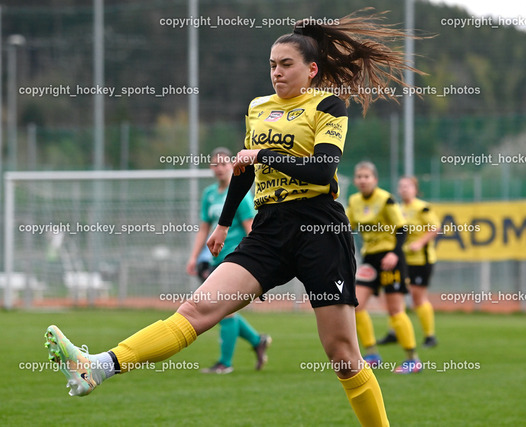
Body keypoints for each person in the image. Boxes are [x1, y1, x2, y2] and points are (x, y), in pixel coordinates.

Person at [44, 11, 423, 426]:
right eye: (272, 65)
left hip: (319, 228)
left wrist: (263, 155)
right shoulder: (258, 107)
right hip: (270, 227)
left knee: (344, 358)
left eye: (286, 64)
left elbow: (321, 170)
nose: (276, 73)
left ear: (312, 70)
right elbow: (244, 170)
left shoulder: (328, 105)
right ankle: (98, 366)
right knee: (196, 310)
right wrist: (223, 223)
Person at [185, 147, 271, 374]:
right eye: (215, 164)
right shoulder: (209, 194)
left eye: (224, 163)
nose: (219, 168)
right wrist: (194, 257)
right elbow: (204, 228)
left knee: (224, 309)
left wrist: (256, 260)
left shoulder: (240, 193)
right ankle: (257, 341)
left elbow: (251, 228)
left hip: (236, 259)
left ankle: (225, 363)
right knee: (221, 310)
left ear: (232, 165)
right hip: (217, 260)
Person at [346, 162, 421, 374]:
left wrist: (394, 253)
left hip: (391, 258)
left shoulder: (386, 199)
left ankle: (413, 360)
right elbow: (347, 228)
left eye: (366, 176)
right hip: (370, 259)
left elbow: (402, 229)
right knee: (356, 305)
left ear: (375, 180)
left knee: (395, 310)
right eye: (359, 176)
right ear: (355, 180)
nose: (362, 180)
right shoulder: (354, 201)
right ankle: (371, 355)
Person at [377, 177, 440, 348]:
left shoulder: (422, 207)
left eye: (408, 186)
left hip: (420, 260)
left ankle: (429, 336)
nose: (404, 189)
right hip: (401, 259)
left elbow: (435, 227)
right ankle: (394, 332)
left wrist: (420, 243)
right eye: (401, 186)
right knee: (395, 295)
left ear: (415, 189)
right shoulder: (397, 208)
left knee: (418, 297)